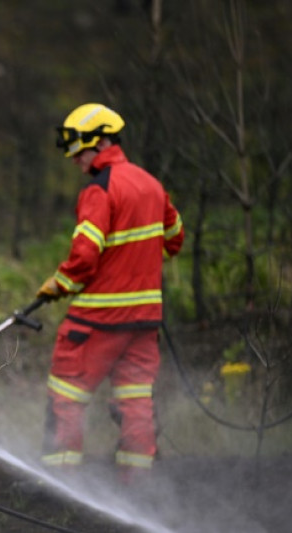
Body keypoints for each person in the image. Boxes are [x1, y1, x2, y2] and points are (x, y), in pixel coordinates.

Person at [36, 103, 183, 484]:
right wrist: (137, 266)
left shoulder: (99, 190)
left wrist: (59, 284)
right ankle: (136, 486)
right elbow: (174, 238)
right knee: (135, 403)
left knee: (65, 397)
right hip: (144, 321)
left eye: (78, 149)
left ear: (101, 141)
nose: (73, 159)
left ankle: (61, 484)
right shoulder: (152, 184)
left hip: (96, 321)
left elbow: (84, 257)